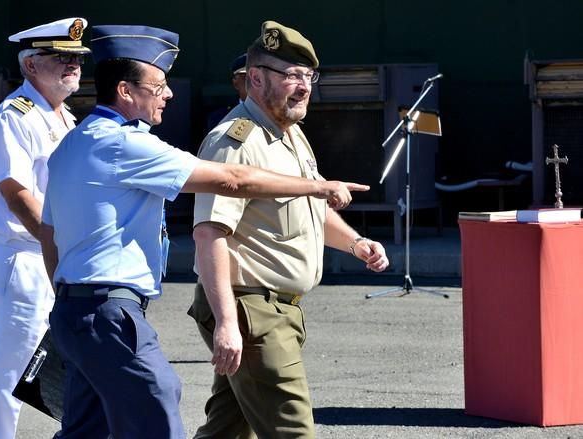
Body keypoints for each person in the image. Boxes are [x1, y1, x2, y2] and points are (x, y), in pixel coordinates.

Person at [40, 24, 368, 439]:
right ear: (126, 91)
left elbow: (48, 231)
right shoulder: (125, 144)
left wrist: (66, 298)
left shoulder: (74, 141)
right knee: (158, 400)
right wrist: (318, 187)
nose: (169, 94)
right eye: (159, 86)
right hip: (109, 310)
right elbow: (233, 180)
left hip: (77, 308)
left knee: (88, 430)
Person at [188, 20, 390, 439]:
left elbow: (312, 210)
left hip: (277, 310)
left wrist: (355, 243)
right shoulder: (235, 141)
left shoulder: (291, 133)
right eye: (291, 76)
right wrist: (228, 322)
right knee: (293, 431)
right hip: (252, 311)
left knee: (227, 430)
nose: (303, 87)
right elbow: (210, 233)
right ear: (256, 79)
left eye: (308, 76)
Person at [0, 17, 90, 439]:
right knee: (10, 375)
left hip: (51, 255)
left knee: (61, 367)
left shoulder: (64, 117)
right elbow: (16, 193)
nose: (71, 65)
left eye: (75, 57)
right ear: (30, 65)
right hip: (20, 257)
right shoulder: (14, 116)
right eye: (60, 57)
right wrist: (58, 248)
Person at [206, 53, 248, 131]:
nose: (254, 83)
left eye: (258, 77)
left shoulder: (274, 115)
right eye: (247, 78)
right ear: (235, 83)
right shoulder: (220, 118)